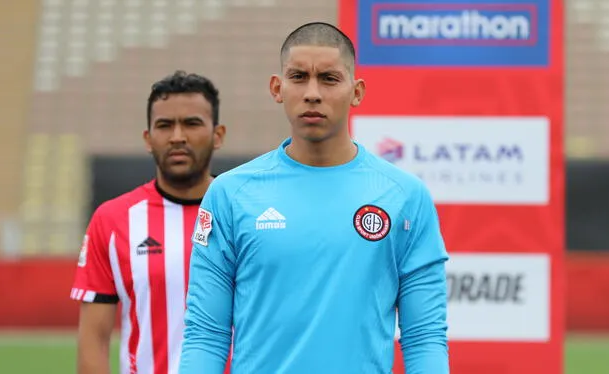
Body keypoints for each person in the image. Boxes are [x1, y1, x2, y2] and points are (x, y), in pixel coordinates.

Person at [179, 22, 449, 374]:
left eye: (329, 79)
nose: (312, 93)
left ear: (357, 91)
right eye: (298, 77)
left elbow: (424, 336)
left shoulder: (405, 197)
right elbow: (206, 333)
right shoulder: (230, 194)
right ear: (277, 88)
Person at [70, 70, 229, 374]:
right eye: (164, 125)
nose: (177, 136)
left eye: (192, 123)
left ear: (217, 135)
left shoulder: (247, 215)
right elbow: (93, 340)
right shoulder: (113, 220)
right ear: (148, 138)